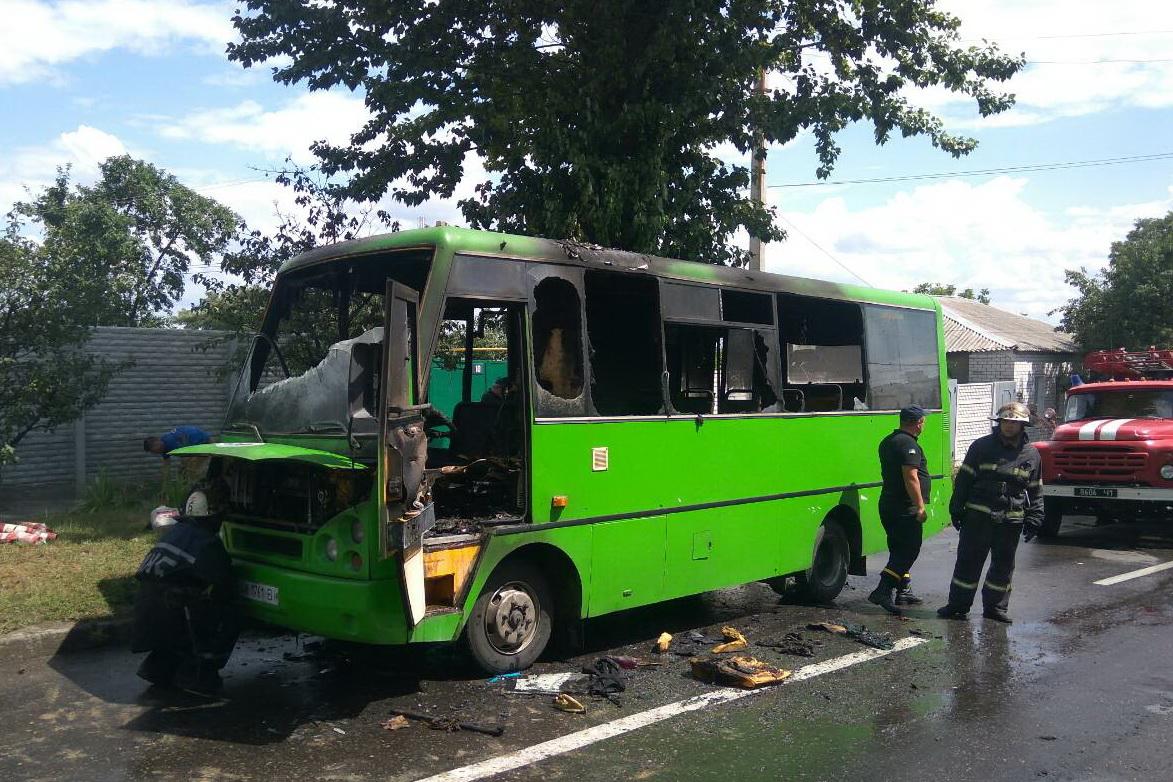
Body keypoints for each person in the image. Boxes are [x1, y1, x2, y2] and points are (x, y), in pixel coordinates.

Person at [937, 402, 1043, 624]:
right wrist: (956, 508)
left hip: (1010, 521)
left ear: (1023, 425)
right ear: (999, 423)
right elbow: (964, 480)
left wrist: (1035, 516)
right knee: (967, 563)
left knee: (1003, 567)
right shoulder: (981, 447)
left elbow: (1035, 489)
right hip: (977, 519)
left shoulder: (1032, 455)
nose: (1009, 426)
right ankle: (958, 606)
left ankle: (995, 608)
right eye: (1005, 421)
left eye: (1014, 422)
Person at [131, 486, 238, 696]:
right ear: (213, 517)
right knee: (229, 613)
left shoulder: (176, 532)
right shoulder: (207, 543)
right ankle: (200, 674)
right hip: (172, 612)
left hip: (144, 613)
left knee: (183, 605)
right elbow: (224, 584)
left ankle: (157, 666)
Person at [867, 405, 931, 615]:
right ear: (919, 422)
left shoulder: (888, 441)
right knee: (909, 549)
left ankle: (904, 589)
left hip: (889, 504)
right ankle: (883, 590)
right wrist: (920, 506)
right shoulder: (907, 444)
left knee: (898, 548)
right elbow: (910, 477)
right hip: (904, 508)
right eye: (924, 421)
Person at [143, 425, 211, 457]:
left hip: (201, 440)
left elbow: (183, 438)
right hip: (193, 440)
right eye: (153, 452)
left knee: (192, 468)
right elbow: (166, 464)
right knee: (185, 469)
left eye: (154, 450)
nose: (155, 453)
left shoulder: (170, 441)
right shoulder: (163, 448)